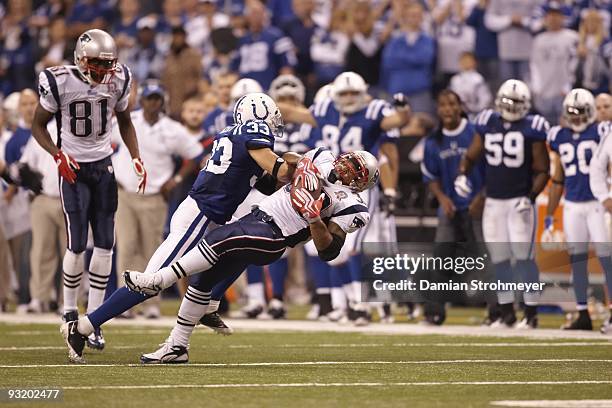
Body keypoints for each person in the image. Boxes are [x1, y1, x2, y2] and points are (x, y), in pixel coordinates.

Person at [60, 92, 296, 363]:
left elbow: (265, 183)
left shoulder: (232, 134)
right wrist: (302, 163)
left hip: (207, 214)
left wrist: (292, 165)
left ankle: (197, 320)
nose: (275, 121)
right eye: (272, 114)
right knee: (151, 282)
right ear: (259, 114)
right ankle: (82, 328)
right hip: (201, 215)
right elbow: (280, 172)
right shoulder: (254, 131)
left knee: (239, 252)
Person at [125, 148, 378, 363]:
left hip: (276, 236)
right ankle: (177, 347)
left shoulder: (351, 206)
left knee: (217, 238)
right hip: (256, 218)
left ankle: (158, 280)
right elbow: (287, 159)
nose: (346, 167)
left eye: (355, 169)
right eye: (349, 160)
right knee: (202, 282)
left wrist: (314, 218)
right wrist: (302, 164)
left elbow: (329, 251)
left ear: (362, 182)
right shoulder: (322, 156)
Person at [31, 29, 146, 349]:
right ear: (80, 58)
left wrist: (136, 156)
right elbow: (37, 124)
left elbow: (124, 120)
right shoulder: (57, 80)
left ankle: (93, 318)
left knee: (107, 243)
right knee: (78, 242)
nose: (104, 70)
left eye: (108, 63)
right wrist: (57, 154)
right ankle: (69, 310)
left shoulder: (120, 78)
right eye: (97, 62)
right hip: (74, 168)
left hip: (103, 166)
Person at [455, 79, 550, 329]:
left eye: (517, 102)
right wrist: (463, 174)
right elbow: (470, 155)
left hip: (518, 200)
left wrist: (529, 198)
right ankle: (506, 313)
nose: (512, 106)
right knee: (499, 260)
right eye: (509, 101)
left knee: (524, 258)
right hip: (494, 202)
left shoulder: (534, 127)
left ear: (527, 105)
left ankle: (531, 314)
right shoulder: (487, 122)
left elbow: (543, 170)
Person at [112, 81, 204, 319]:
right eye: (149, 98)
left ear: (162, 101)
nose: (153, 103)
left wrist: (176, 178)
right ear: (141, 100)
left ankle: (151, 302)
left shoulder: (173, 129)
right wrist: (111, 172)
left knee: (153, 249)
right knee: (127, 247)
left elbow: (195, 154)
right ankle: (126, 304)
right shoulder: (126, 121)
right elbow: (101, 143)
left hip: (154, 196)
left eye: (156, 99)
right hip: (126, 193)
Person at [420, 89, 493, 325]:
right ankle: (434, 312)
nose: (447, 109)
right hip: (450, 208)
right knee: (440, 260)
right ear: (438, 109)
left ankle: (497, 313)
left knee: (488, 259)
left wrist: (481, 196)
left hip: (478, 207)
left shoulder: (475, 132)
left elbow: (493, 167)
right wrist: (442, 198)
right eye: (442, 105)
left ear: (460, 106)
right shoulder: (433, 140)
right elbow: (431, 176)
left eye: (452, 104)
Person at [545, 88, 612, 331]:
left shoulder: (602, 130)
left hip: (597, 204)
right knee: (578, 262)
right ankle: (583, 313)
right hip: (572, 204)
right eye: (572, 112)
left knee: (607, 261)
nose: (576, 117)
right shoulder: (558, 135)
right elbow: (558, 177)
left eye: (581, 112)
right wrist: (550, 213)